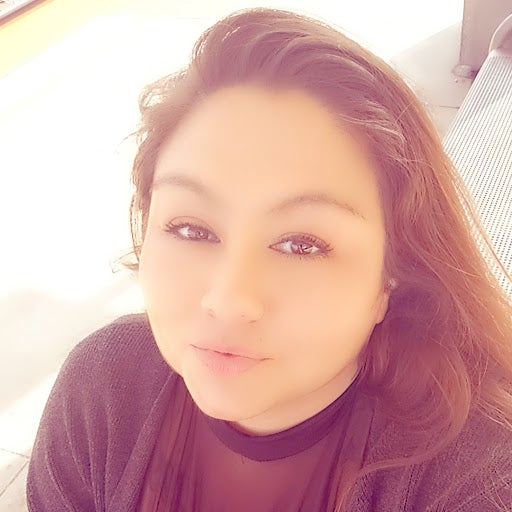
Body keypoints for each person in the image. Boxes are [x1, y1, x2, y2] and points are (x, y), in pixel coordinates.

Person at [26, 7, 512, 512]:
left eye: (301, 244)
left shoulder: (479, 477)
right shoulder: (103, 389)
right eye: (191, 229)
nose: (229, 301)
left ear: (390, 274)